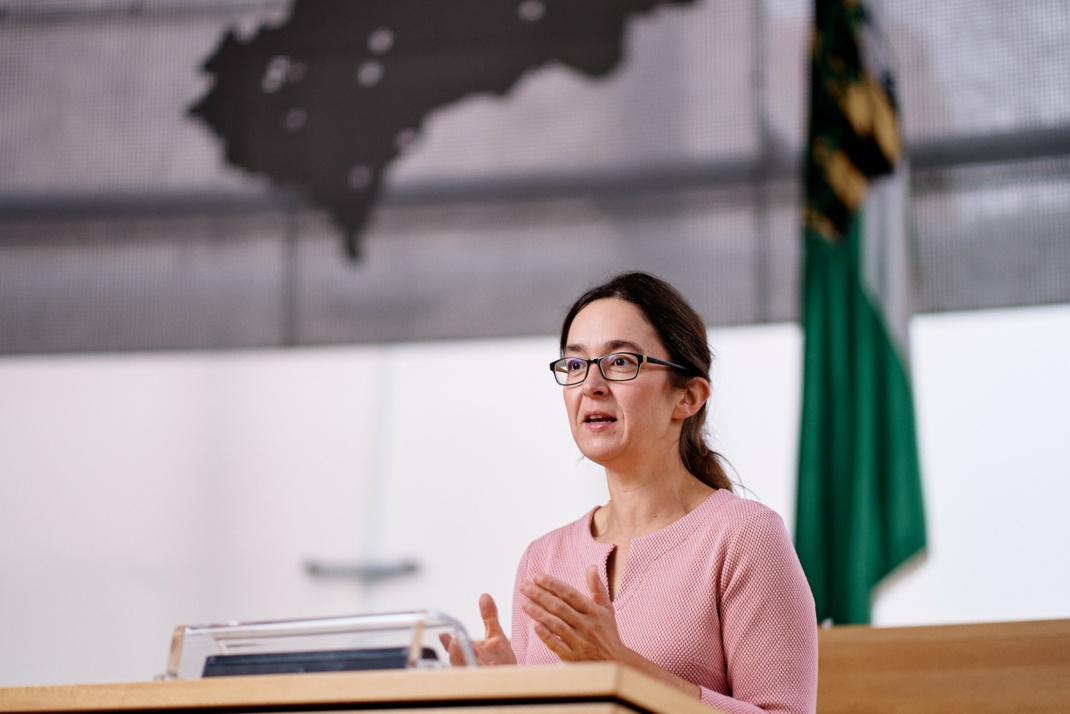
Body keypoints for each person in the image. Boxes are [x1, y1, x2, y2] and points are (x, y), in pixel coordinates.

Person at [444, 272, 818, 714]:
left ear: (688, 396)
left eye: (620, 362)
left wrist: (622, 669)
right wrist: (506, 697)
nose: (591, 385)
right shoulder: (541, 559)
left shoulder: (746, 537)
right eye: (575, 365)